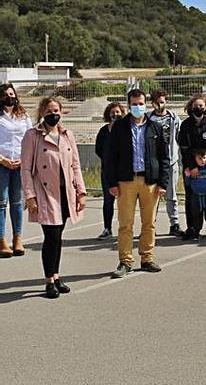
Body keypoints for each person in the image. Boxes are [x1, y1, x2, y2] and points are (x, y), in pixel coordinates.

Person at [20, 97, 87, 298]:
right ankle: (49, 280)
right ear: (42, 113)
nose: (53, 114)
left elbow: (75, 165)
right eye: (49, 111)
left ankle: (56, 276)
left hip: (65, 193)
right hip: (45, 193)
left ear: (62, 111)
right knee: (51, 237)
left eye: (56, 110)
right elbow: (25, 168)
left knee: (59, 238)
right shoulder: (33, 136)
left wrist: (81, 192)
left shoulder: (67, 135)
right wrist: (30, 196)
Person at [105, 89, 170, 278]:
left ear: (146, 104)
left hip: (150, 182)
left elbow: (164, 157)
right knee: (126, 223)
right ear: (128, 105)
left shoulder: (155, 127)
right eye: (134, 104)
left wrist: (162, 182)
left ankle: (147, 257)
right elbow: (110, 158)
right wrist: (112, 183)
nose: (137, 107)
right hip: (126, 181)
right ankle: (125, 261)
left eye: (140, 103)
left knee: (149, 223)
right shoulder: (119, 127)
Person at [177, 94, 206, 241]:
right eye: (195, 106)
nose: (198, 108)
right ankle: (193, 228)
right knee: (191, 200)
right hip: (191, 169)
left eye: (201, 106)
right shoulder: (186, 125)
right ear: (190, 107)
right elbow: (184, 147)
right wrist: (192, 166)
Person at [0, 83, 32, 257]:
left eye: (11, 93)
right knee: (1, 203)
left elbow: (29, 138)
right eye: (5, 94)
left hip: (20, 164)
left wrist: (24, 158)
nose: (9, 97)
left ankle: (17, 239)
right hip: (1, 165)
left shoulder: (23, 116)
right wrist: (2, 160)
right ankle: (2, 241)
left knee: (17, 202)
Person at [146, 89, 182, 236]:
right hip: (153, 162)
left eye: (162, 102)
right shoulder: (148, 118)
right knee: (151, 195)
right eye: (157, 102)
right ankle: (149, 225)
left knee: (171, 195)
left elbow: (179, 137)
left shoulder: (173, 118)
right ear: (152, 103)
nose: (160, 105)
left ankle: (174, 223)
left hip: (171, 161)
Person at [95, 102, 124, 239]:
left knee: (125, 201)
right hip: (107, 172)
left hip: (123, 172)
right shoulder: (103, 131)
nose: (115, 114)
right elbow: (98, 149)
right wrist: (108, 161)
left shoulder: (126, 130)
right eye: (113, 112)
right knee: (108, 201)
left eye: (118, 112)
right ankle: (107, 228)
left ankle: (125, 229)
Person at [183, 148, 206, 240]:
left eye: (204, 158)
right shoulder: (193, 170)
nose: (203, 160)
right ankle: (196, 232)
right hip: (196, 196)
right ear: (195, 159)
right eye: (200, 158)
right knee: (196, 215)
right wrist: (187, 175)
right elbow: (188, 183)